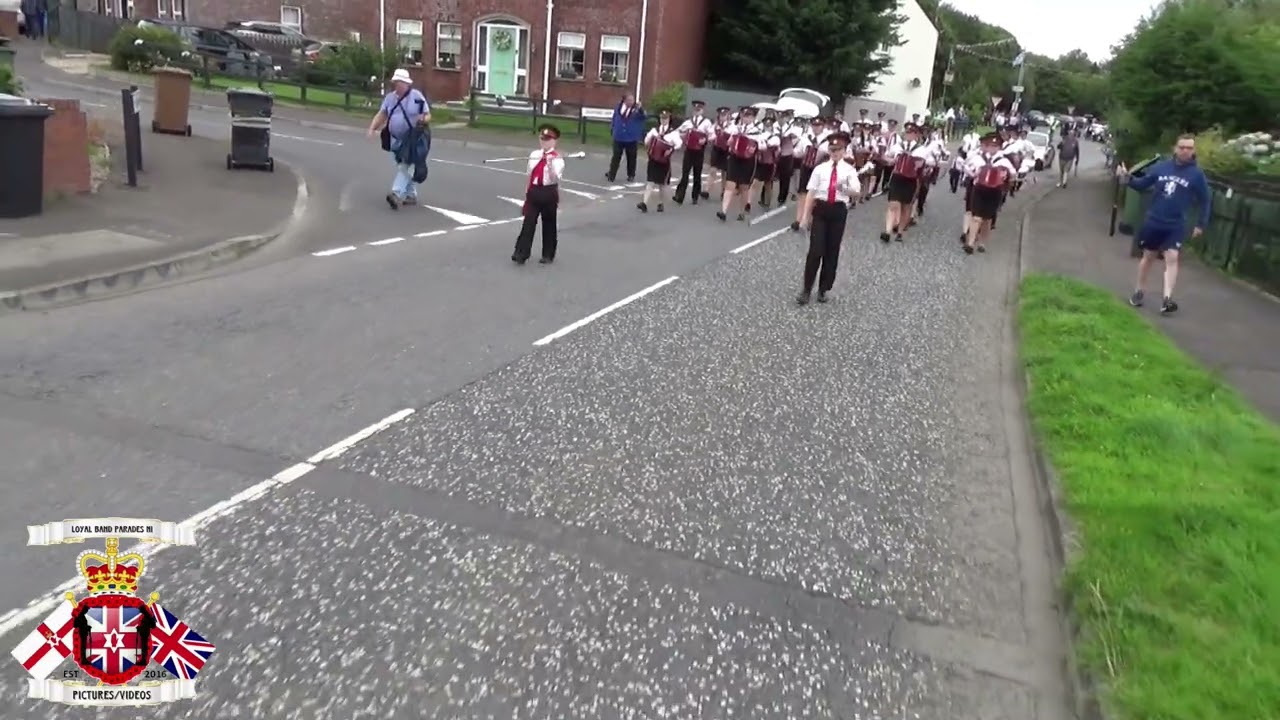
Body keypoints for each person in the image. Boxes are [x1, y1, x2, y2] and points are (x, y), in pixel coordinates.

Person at [1119, 134, 1211, 314]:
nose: (1185, 151)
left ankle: (1167, 299)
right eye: (1182, 147)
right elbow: (1142, 184)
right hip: (1154, 220)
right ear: (1175, 148)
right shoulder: (1161, 168)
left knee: (1172, 257)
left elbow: (1205, 200)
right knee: (1148, 257)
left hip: (1175, 224)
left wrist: (1201, 224)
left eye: (1189, 148)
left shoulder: (1197, 175)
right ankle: (1139, 291)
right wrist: (1127, 178)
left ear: (1193, 151)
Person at [796, 131, 860, 305]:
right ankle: (806, 289)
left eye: (838, 150)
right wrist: (804, 217)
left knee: (832, 250)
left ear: (844, 151)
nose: (835, 153)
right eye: (832, 150)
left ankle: (824, 288)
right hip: (821, 209)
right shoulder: (820, 168)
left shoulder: (849, 170)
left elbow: (856, 192)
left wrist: (845, 188)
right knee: (815, 250)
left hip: (838, 210)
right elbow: (811, 193)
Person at [367, 69, 430, 210]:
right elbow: (382, 114)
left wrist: (423, 120)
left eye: (400, 82)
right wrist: (372, 128)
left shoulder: (416, 97)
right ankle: (411, 195)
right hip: (395, 139)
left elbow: (427, 114)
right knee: (402, 165)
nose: (398, 85)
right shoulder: (390, 98)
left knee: (405, 165)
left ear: (407, 83)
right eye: (396, 82)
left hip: (413, 138)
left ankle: (396, 193)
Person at [512, 124, 565, 265]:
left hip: (549, 192)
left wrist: (549, 164)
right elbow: (530, 174)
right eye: (542, 139)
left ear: (554, 141)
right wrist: (527, 193)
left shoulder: (558, 158)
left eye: (547, 139)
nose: (544, 142)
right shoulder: (535, 155)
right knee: (528, 222)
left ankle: (548, 254)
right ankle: (521, 253)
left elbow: (556, 178)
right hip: (535, 191)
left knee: (549, 223)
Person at [961, 132, 1016, 254]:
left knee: (987, 219)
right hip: (979, 189)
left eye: (995, 146)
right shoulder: (978, 158)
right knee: (976, 216)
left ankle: (982, 242)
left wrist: (1005, 177)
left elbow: (1013, 174)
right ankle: (970, 243)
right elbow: (966, 166)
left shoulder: (1004, 161)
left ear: (999, 147)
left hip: (994, 191)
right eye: (990, 145)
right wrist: (973, 174)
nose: (992, 148)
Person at [880, 122, 929, 243]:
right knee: (893, 205)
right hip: (897, 177)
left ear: (916, 135)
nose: (908, 135)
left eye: (911, 133)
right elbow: (886, 157)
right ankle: (887, 231)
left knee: (906, 207)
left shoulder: (921, 149)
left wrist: (915, 163)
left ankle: (900, 231)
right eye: (907, 132)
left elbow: (922, 165)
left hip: (910, 180)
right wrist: (892, 160)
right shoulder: (898, 146)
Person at [717, 107, 767, 222]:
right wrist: (731, 141)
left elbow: (763, 146)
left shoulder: (757, 131)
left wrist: (753, 145)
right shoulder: (736, 128)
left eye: (749, 116)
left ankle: (742, 211)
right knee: (730, 184)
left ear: (753, 118)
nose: (746, 118)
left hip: (748, 161)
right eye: (744, 116)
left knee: (744, 187)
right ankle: (723, 211)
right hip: (734, 158)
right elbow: (729, 141)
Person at [638, 110, 683, 213]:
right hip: (653, 159)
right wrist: (650, 142)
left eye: (665, 118)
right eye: (662, 118)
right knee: (650, 181)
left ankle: (661, 203)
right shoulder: (655, 130)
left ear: (669, 119)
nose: (663, 120)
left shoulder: (673, 133)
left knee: (662, 184)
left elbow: (679, 144)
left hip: (664, 161)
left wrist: (671, 149)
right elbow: (646, 141)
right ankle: (644, 203)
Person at [790, 116, 829, 232]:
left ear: (823, 126)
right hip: (806, 168)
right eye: (814, 126)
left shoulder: (827, 140)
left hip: (820, 171)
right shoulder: (805, 138)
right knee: (802, 193)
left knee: (816, 195)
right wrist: (789, 149)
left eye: (819, 126)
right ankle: (799, 219)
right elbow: (799, 153)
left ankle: (811, 219)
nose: (816, 128)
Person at [674, 100, 713, 205]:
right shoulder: (688, 122)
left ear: (702, 110)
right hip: (689, 150)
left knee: (697, 174)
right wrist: (682, 136)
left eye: (699, 109)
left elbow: (712, 135)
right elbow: (678, 131)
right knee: (685, 173)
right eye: (695, 109)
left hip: (699, 151)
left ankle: (695, 196)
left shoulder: (706, 122)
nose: (697, 111)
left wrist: (705, 139)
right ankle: (679, 196)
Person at [606, 93, 645, 184]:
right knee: (616, 156)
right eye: (629, 100)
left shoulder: (636, 110)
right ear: (624, 100)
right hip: (619, 136)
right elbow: (615, 117)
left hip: (631, 138)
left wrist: (640, 109)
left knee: (631, 157)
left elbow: (643, 117)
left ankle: (631, 175)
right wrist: (612, 127)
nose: (631, 102)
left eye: (632, 100)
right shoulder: (618, 107)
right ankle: (612, 174)